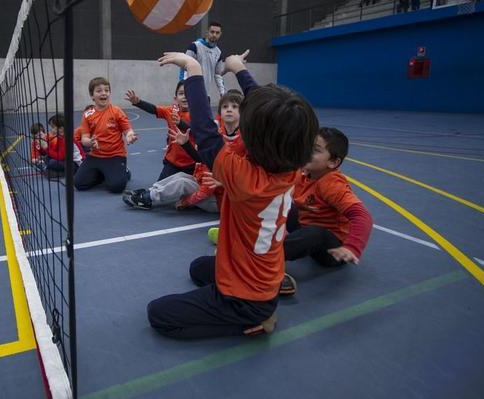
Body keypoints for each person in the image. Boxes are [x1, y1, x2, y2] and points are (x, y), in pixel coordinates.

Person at [146, 50, 318, 339]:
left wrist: (193, 68)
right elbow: (268, 110)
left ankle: (257, 318)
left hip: (245, 299)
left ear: (256, 136)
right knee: (198, 268)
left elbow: (203, 129)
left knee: (158, 314)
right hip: (261, 270)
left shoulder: (243, 176)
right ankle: (272, 290)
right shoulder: (289, 163)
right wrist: (239, 68)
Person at [279, 128, 373, 296]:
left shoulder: (331, 184)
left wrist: (352, 248)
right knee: (281, 204)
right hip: (307, 228)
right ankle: (260, 242)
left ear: (333, 163)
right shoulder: (304, 173)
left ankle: (263, 261)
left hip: (331, 250)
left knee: (316, 233)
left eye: (315, 150)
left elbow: (362, 216)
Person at [123, 91, 243, 213]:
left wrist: (185, 202)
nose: (229, 110)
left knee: (182, 183)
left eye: (234, 107)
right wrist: (185, 144)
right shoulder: (218, 135)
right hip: (199, 179)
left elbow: (208, 187)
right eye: (225, 107)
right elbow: (203, 159)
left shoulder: (242, 141)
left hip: (223, 199)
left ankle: (146, 199)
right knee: (181, 177)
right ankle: (149, 193)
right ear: (220, 112)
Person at [73, 77, 137, 193]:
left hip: (115, 155)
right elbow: (84, 139)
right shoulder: (87, 114)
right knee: (79, 184)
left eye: (106, 90)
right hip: (95, 155)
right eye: (99, 91)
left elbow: (128, 130)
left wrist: (130, 136)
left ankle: (124, 172)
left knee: (116, 187)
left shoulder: (117, 111)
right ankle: (104, 173)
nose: (104, 93)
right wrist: (90, 143)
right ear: (92, 96)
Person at [124, 81, 196, 180]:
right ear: (175, 98)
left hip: (193, 163)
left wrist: (180, 123)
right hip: (173, 162)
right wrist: (138, 102)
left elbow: (195, 132)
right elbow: (154, 109)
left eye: (189, 93)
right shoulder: (171, 111)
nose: (185, 96)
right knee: (159, 188)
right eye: (181, 93)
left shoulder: (198, 114)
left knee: (195, 191)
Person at [180, 21, 226, 99]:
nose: (214, 35)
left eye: (217, 33)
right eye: (212, 32)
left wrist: (222, 92)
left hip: (206, 94)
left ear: (220, 34)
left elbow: (218, 74)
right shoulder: (194, 46)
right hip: (191, 92)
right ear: (207, 32)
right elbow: (184, 67)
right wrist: (183, 86)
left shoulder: (218, 53)